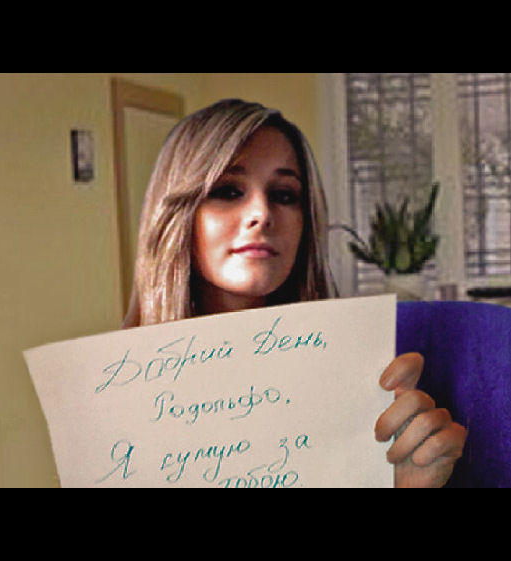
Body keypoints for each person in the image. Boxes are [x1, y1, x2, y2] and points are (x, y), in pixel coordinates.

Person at [122, 98, 467, 487]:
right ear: (178, 215)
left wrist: (404, 484)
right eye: (228, 190)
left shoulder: (371, 379)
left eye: (285, 194)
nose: (261, 214)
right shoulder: (114, 399)